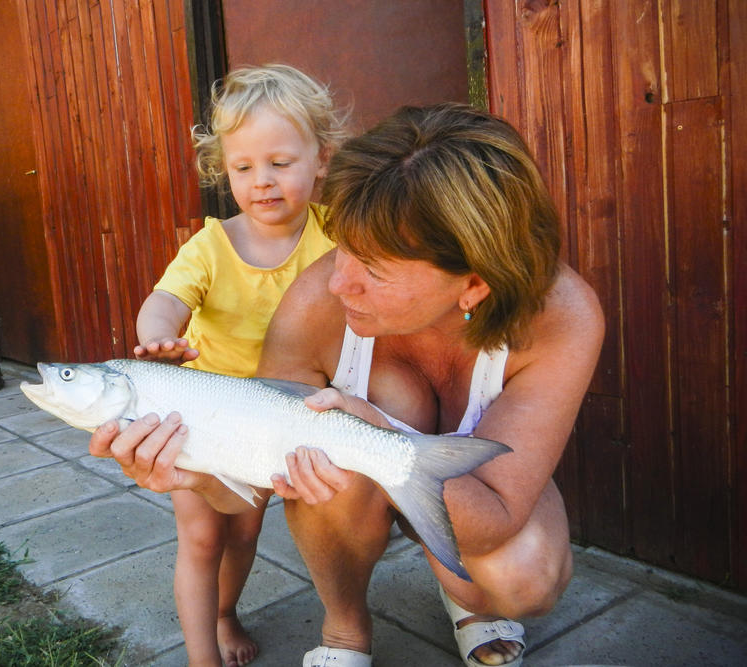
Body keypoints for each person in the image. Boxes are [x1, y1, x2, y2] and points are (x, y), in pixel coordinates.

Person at [90, 103, 604, 667]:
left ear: (474, 283)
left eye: (374, 269)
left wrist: (383, 434)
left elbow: (495, 518)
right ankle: (344, 625)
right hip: (359, 489)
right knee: (320, 449)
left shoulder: (561, 316)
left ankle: (469, 605)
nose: (338, 281)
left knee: (520, 577)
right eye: (344, 247)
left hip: (473, 489)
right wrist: (194, 475)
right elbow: (257, 477)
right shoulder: (314, 305)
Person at [131, 63, 346, 667]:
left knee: (245, 532)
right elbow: (164, 301)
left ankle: (226, 612)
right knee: (202, 537)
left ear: (320, 159)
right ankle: (202, 657)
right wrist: (158, 340)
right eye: (243, 168)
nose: (262, 182)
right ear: (223, 171)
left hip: (270, 425)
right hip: (198, 418)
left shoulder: (335, 236)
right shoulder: (210, 245)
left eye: (281, 163)